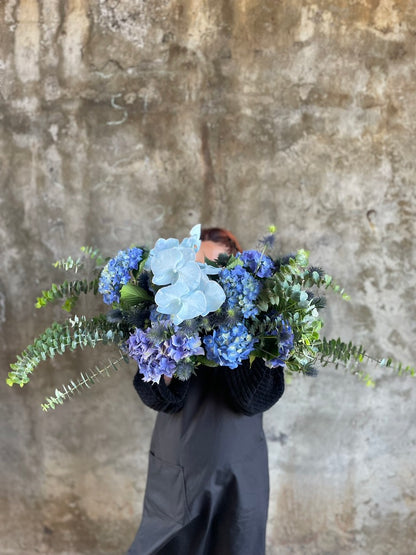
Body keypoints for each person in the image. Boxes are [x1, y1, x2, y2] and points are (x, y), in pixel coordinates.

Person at [127, 228, 285, 555]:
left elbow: (253, 399)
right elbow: (155, 395)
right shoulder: (167, 319)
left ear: (236, 273)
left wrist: (234, 328)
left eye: (216, 270)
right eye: (197, 269)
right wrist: (172, 344)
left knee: (237, 544)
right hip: (178, 468)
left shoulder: (264, 325)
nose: (206, 281)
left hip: (240, 473)